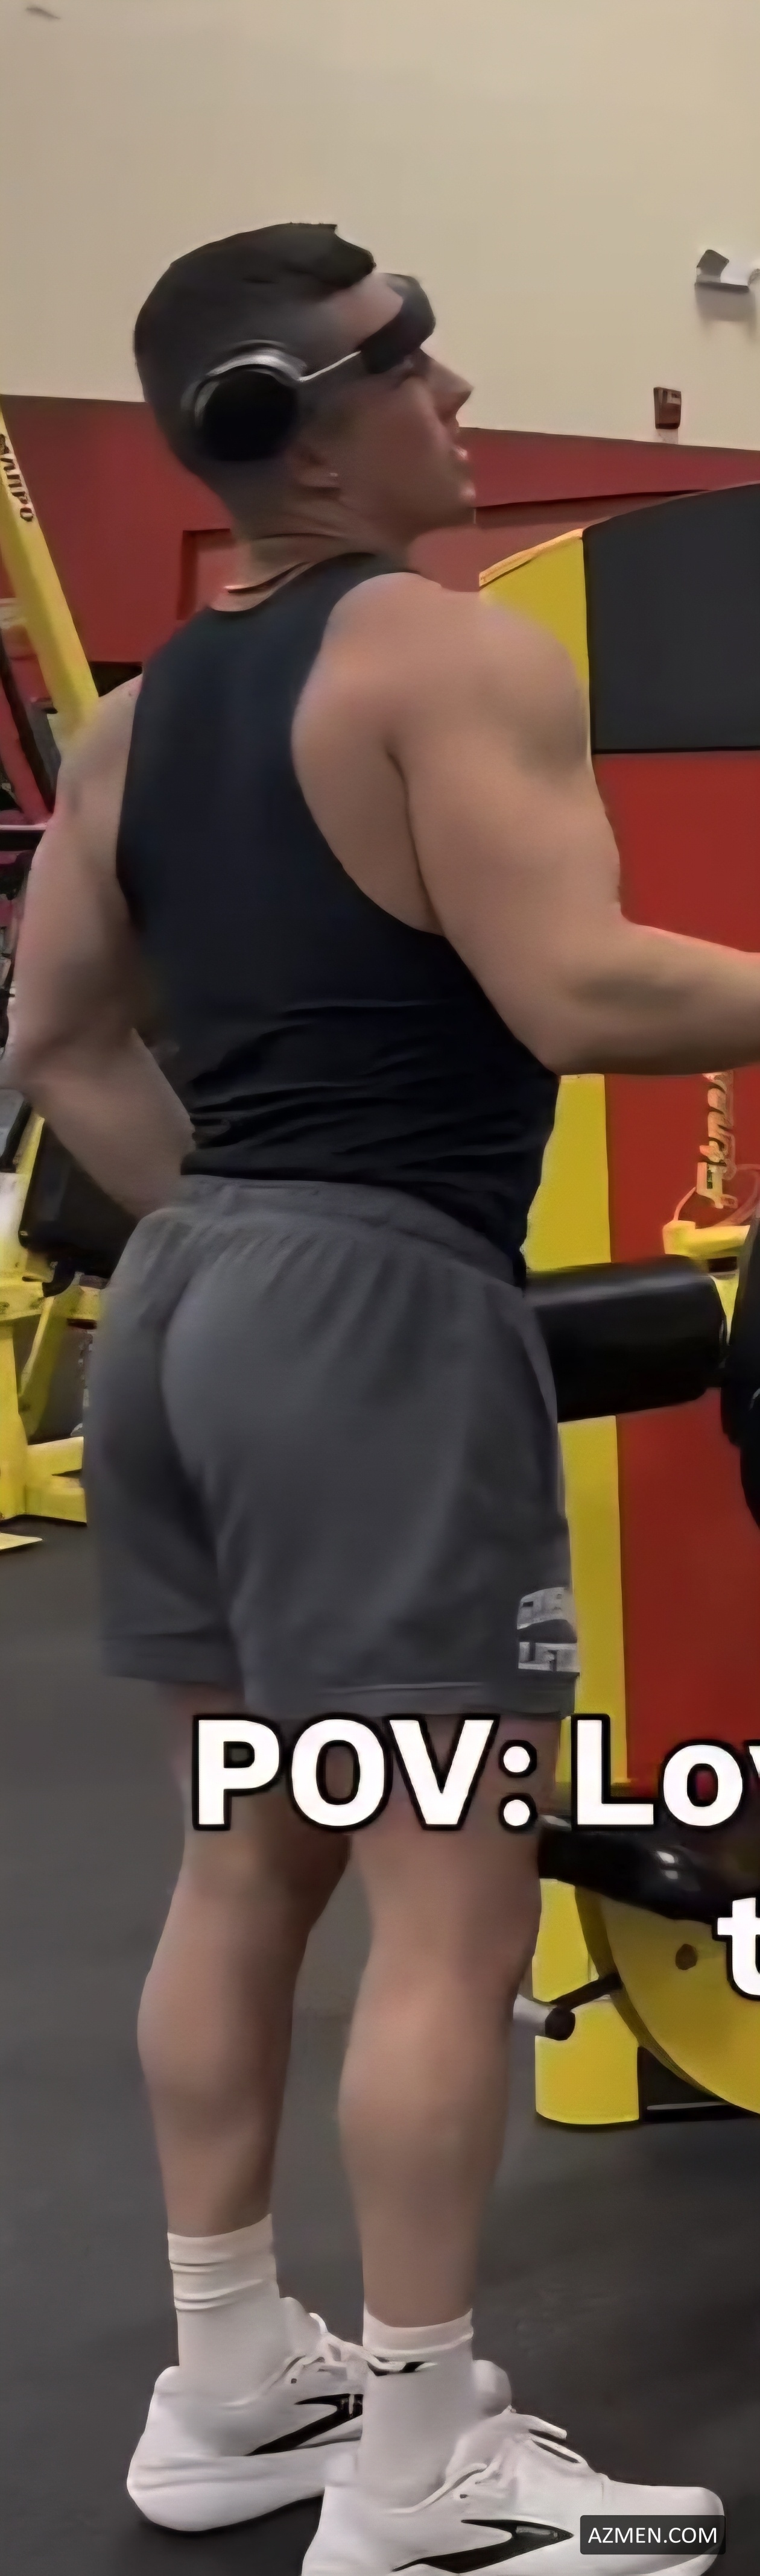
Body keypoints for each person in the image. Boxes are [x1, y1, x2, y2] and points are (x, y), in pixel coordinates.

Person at [12, 219, 756, 2574]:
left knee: (251, 1852)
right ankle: (423, 2456)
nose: (455, 395)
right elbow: (582, 992)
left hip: (186, 1310)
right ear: (288, 428)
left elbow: (57, 1042)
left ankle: (231, 2382)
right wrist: (341, 1253)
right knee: (454, 1898)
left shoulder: (137, 722)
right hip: (369, 1324)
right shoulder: (444, 654)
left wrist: (244, 1228)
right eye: (404, 366)